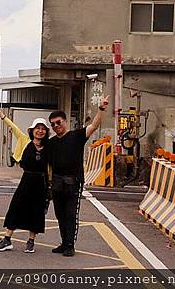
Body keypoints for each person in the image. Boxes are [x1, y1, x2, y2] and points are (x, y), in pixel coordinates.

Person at [47, 95, 109, 257]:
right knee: (60, 214)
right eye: (53, 124)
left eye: (58, 122)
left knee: (71, 214)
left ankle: (70, 245)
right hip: (57, 182)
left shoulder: (77, 136)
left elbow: (94, 125)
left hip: (74, 182)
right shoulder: (52, 143)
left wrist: (101, 109)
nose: (56, 126)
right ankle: (63, 242)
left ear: (65, 121)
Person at [0, 103, 52, 254]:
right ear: (32, 130)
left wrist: (50, 186)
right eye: (37, 128)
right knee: (15, 208)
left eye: (43, 129)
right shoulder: (25, 141)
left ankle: (31, 241)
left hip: (41, 183)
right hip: (26, 180)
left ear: (46, 132)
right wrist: (0, 114)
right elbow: (14, 126)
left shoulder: (50, 147)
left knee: (37, 212)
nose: (40, 131)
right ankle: (7, 239)